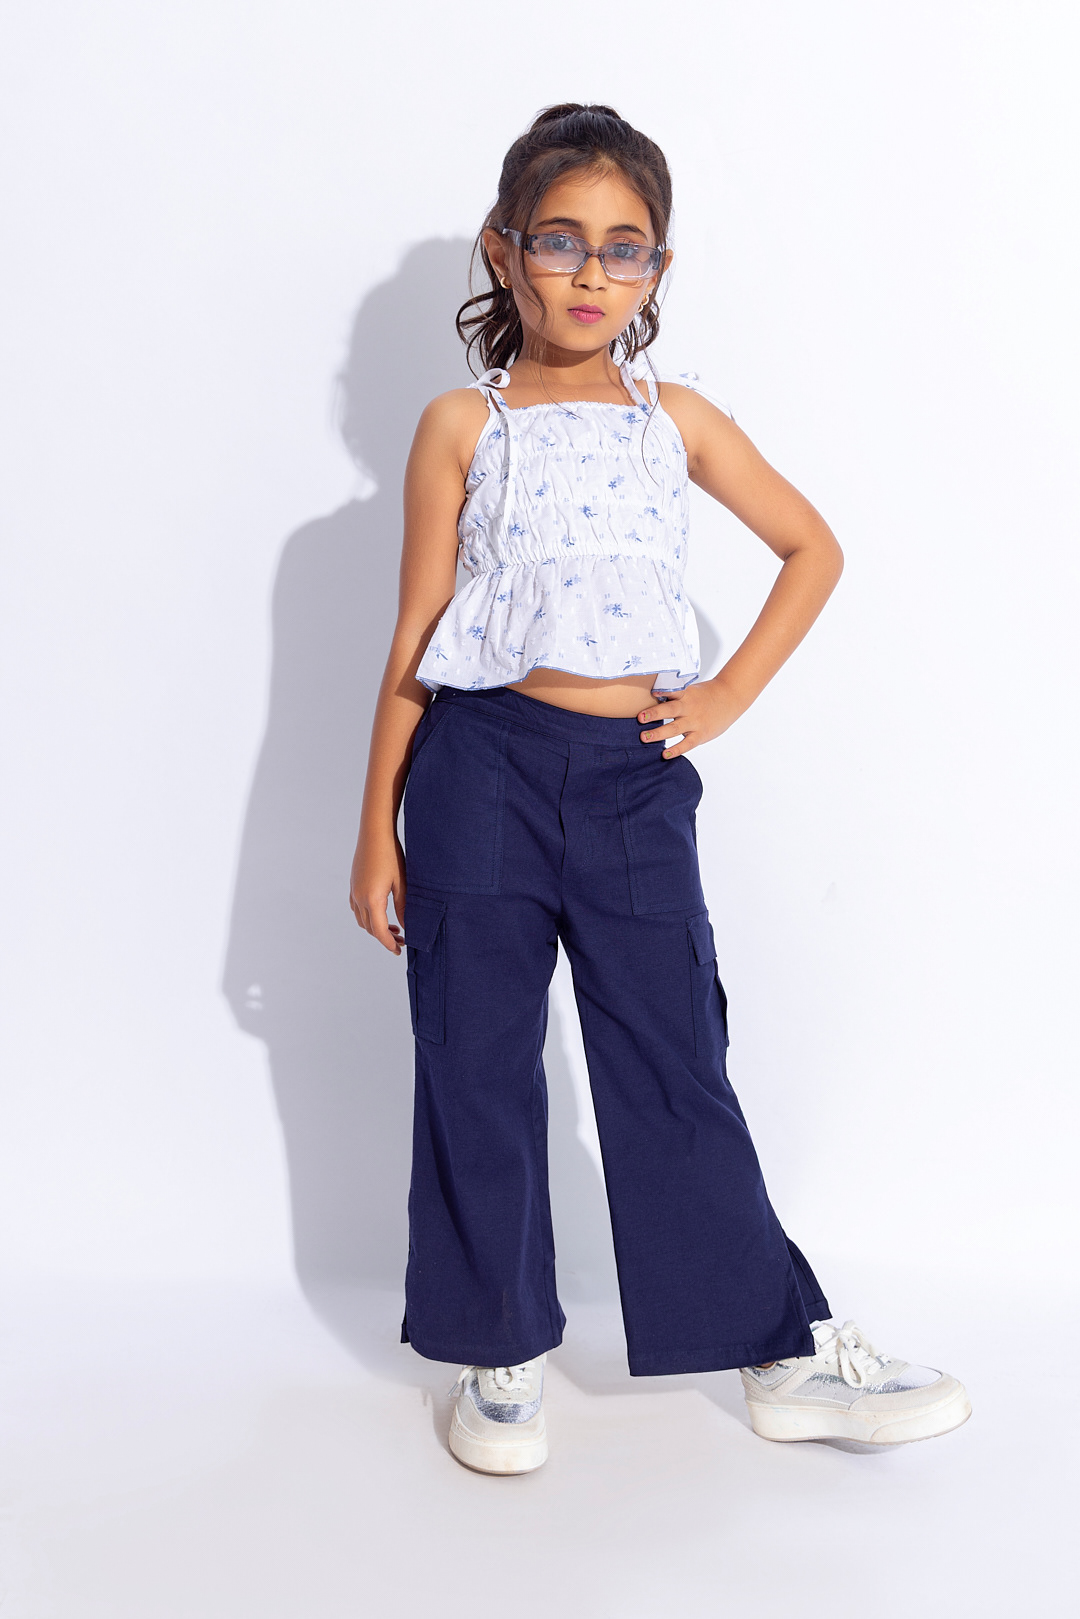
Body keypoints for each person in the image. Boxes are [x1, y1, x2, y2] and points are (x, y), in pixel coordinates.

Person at [349, 103, 970, 1474]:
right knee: (475, 1060)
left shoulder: (673, 421)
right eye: (560, 240)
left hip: (633, 781)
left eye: (623, 248)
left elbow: (812, 548)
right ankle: (500, 1353)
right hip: (480, 774)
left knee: (675, 1059)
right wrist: (374, 828)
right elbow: (414, 636)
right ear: (504, 251)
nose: (590, 272)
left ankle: (777, 1353)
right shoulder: (462, 424)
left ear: (657, 271)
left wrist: (726, 694)